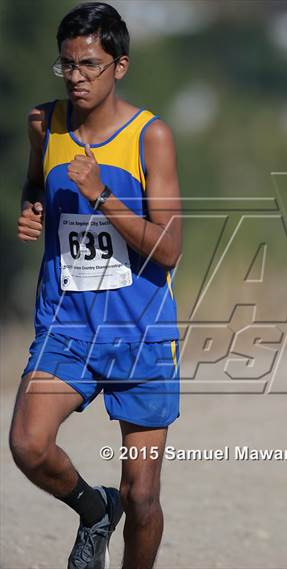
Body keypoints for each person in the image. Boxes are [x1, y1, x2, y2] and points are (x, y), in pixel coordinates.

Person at [8, 2, 182, 568]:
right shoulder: (44, 122)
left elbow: (170, 247)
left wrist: (101, 195)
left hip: (139, 333)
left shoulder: (149, 136)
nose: (78, 77)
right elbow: (37, 180)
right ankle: (91, 510)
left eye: (90, 64)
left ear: (120, 66)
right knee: (28, 445)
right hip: (66, 326)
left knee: (144, 496)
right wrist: (33, 206)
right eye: (67, 65)